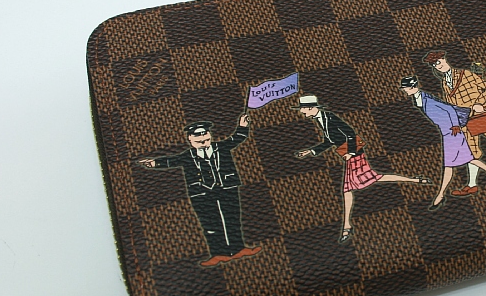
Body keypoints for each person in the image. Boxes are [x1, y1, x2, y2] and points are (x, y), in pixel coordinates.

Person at [292, 95, 432, 243]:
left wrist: (351, 152)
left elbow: (350, 133)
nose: (302, 112)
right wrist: (311, 151)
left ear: (311, 108)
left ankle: (347, 226)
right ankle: (415, 180)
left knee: (348, 189)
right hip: (349, 154)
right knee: (372, 178)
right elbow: (330, 140)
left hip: (354, 154)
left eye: (303, 109)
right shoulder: (321, 119)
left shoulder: (330, 117)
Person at [137, 115, 262, 267]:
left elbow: (236, 138)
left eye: (204, 133)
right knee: (210, 224)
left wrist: (242, 126)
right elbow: (171, 160)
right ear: (190, 139)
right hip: (201, 193)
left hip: (227, 187)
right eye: (197, 135)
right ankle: (219, 253)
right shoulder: (188, 156)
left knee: (232, 219)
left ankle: (238, 249)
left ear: (209, 134)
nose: (202, 138)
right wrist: (154, 163)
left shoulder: (221, 147)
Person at [399, 76, 486, 211]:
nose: (404, 91)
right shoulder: (420, 98)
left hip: (452, 133)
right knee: (468, 160)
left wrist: (455, 125)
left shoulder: (426, 99)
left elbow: (449, 110)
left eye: (405, 88)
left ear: (412, 87)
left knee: (450, 165)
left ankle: (440, 195)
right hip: (448, 132)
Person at [423, 51, 486, 197]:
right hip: (465, 121)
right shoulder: (445, 83)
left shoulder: (465, 74)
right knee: (471, 152)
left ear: (444, 59)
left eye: (439, 62)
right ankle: (472, 185)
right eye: (434, 65)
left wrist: (479, 103)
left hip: (481, 115)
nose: (438, 66)